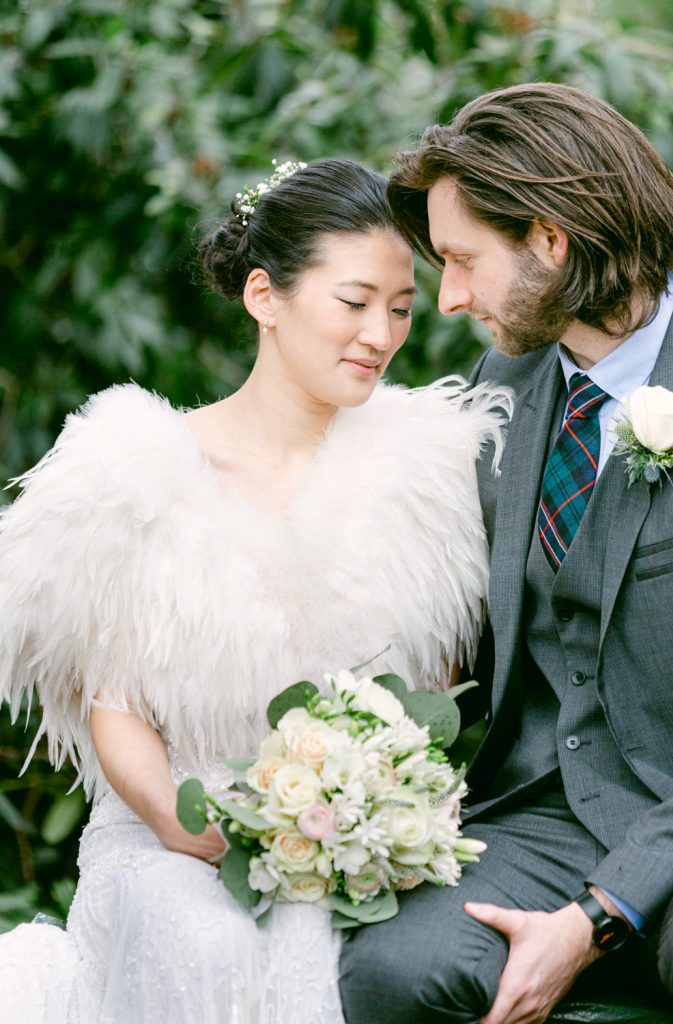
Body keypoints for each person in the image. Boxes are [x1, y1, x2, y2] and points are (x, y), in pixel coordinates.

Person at [0, 158, 512, 1023]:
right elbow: (111, 701)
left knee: (344, 944)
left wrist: (385, 808)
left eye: (399, 309)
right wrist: (175, 820)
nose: (380, 336)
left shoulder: (427, 472)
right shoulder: (136, 471)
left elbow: (430, 692)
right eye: (353, 303)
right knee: (210, 941)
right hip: (166, 833)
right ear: (265, 297)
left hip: (349, 844)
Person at [339, 83, 673, 1024]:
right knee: (394, 970)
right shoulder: (509, 375)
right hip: (542, 808)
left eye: (461, 260)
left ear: (549, 240)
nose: (448, 299)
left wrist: (597, 917)